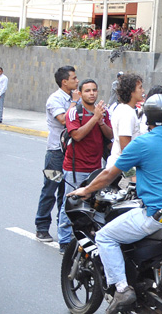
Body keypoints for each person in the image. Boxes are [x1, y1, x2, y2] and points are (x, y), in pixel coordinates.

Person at [70, 95, 162, 312]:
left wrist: (86, 189)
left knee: (105, 236)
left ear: (147, 116)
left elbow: (110, 174)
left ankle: (121, 289)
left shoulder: (142, 143)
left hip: (159, 213)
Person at [58, 79, 112, 250]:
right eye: (87, 90)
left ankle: (87, 238)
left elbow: (110, 135)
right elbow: (77, 136)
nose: (92, 93)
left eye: (94, 90)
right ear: (80, 94)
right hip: (76, 168)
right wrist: (95, 118)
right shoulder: (74, 113)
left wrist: (101, 120)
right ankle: (65, 240)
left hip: (96, 169)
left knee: (95, 206)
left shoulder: (104, 112)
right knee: (71, 204)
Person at [34, 65, 78, 243]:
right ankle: (42, 226)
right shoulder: (55, 99)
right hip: (55, 153)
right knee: (50, 189)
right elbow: (64, 120)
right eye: (73, 78)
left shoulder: (74, 98)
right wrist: (75, 103)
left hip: (71, 153)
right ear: (64, 81)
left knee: (65, 191)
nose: (76, 81)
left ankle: (63, 228)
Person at [107, 73, 144, 169]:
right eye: (140, 88)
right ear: (131, 91)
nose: (143, 91)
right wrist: (132, 176)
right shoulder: (126, 112)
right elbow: (125, 149)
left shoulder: (125, 109)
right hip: (121, 170)